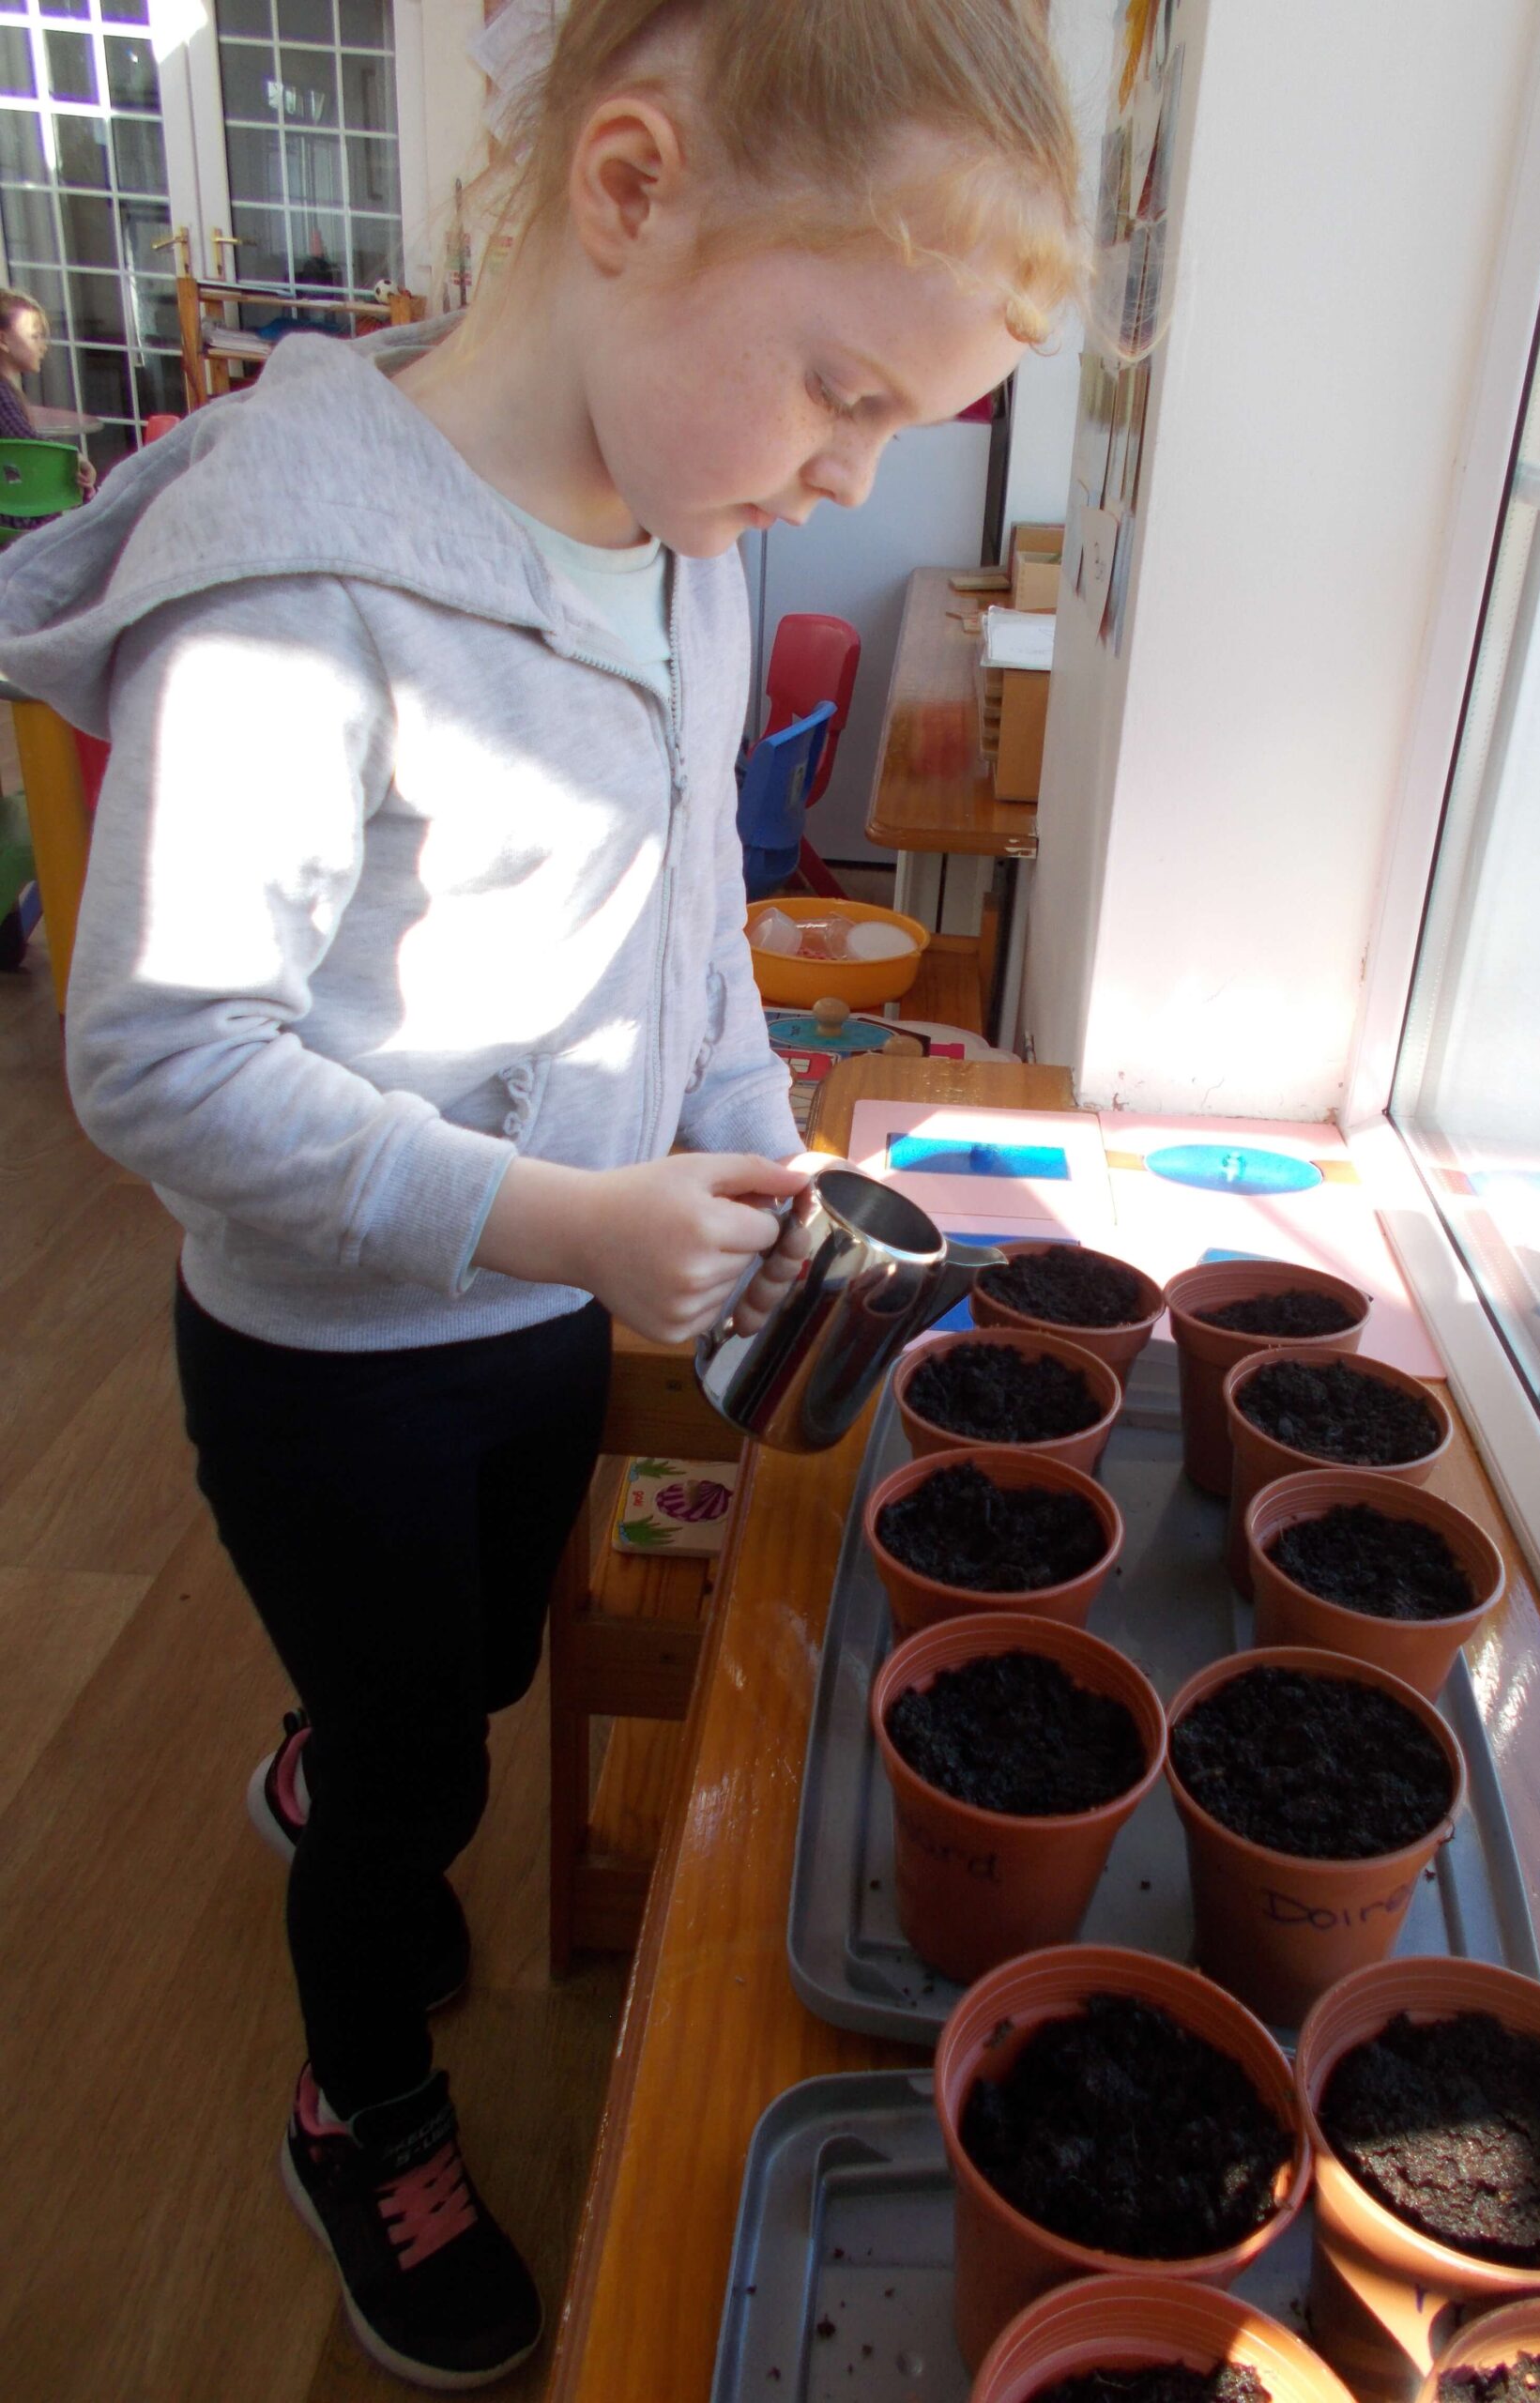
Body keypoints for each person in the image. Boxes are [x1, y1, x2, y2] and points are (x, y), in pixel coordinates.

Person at [0, 0, 1085, 2385]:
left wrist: (749, 1140)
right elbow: (158, 1054)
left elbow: (691, 902)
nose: (841, 475)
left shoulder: (688, 543)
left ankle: (350, 1729)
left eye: (897, 428)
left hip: (532, 1308)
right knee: (419, 1776)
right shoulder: (300, 590)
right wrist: (569, 1221)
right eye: (839, 391)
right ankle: (356, 2091)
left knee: (476, 1663)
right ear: (627, 190)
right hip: (331, 1359)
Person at [0, 286, 97, 525]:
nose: (43, 346)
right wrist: (76, 460)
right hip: (15, 516)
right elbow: (28, 445)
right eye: (35, 336)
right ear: (3, 339)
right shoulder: (2, 393)